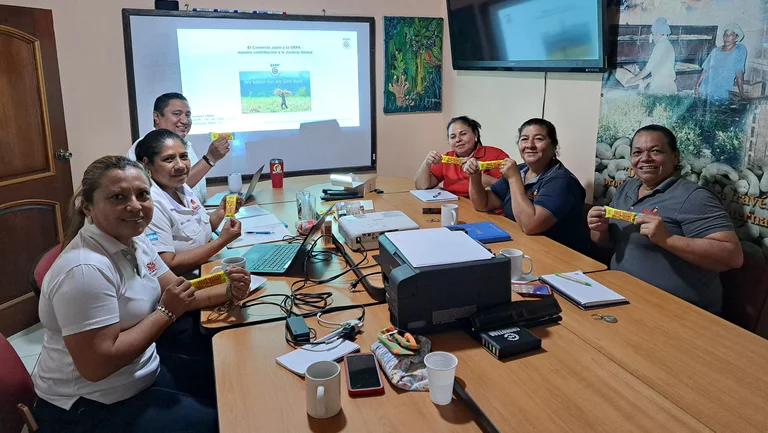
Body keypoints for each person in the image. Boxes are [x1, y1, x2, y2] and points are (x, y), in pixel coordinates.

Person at [31, 156, 251, 432]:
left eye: (142, 194)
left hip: (139, 373)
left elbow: (179, 292)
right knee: (226, 421)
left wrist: (227, 289)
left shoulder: (135, 240)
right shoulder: (85, 270)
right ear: (88, 207)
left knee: (234, 382)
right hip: (89, 405)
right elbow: (96, 366)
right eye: (118, 197)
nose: (135, 205)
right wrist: (165, 312)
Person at [587, 125, 743, 313]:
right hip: (621, 294)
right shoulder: (627, 187)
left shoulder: (696, 197)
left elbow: (732, 257)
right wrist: (600, 229)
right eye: (637, 152)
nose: (645, 158)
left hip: (676, 310)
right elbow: (606, 243)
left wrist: (667, 239)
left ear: (675, 157)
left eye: (656, 151)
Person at [464, 118, 589, 253]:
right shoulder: (521, 169)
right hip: (521, 243)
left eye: (539, 139)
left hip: (558, 254)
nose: (530, 145)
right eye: (524, 139)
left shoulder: (562, 181)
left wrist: (513, 178)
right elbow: (483, 204)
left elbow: (529, 225)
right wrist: (475, 176)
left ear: (554, 146)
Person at [135, 129, 244, 277]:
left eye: (184, 157)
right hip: (184, 282)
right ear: (147, 164)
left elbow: (200, 230)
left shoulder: (180, 187)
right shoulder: (151, 204)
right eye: (169, 159)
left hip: (206, 268)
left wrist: (220, 212)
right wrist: (221, 241)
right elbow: (168, 266)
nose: (180, 165)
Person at [127, 92, 231, 202]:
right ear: (157, 116)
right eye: (177, 114)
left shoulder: (183, 143)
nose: (185, 121)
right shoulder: (145, 146)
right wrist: (210, 158)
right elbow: (175, 188)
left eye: (188, 115)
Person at [414, 116, 509, 197]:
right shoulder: (447, 158)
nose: (458, 140)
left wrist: (474, 173)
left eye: (463, 134)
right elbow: (421, 186)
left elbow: (507, 191)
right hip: (454, 206)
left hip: (486, 209)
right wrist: (426, 163)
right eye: (452, 137)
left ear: (475, 134)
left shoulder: (496, 155)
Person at [695, 23, 747, 102]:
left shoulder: (739, 49)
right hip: (705, 89)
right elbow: (705, 70)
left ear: (736, 37)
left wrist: (741, 94)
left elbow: (739, 72)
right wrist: (697, 86)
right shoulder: (716, 51)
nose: (727, 37)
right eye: (725, 34)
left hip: (721, 92)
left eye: (731, 35)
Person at [625, 17, 677, 94]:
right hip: (670, 87)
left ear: (658, 33)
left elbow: (648, 68)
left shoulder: (660, 46)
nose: (653, 37)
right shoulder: (668, 45)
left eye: (653, 34)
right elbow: (662, 72)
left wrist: (634, 79)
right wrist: (646, 81)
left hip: (660, 89)